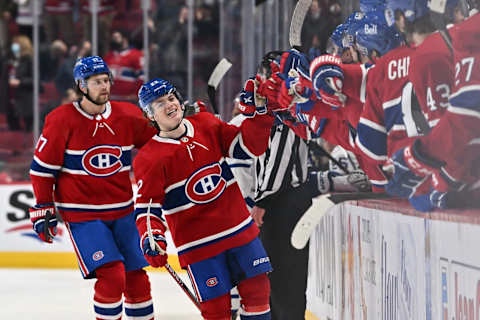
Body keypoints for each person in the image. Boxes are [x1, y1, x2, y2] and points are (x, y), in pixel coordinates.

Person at [134, 77, 275, 320]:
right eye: (159, 103)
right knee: (216, 311)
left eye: (171, 98)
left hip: (239, 231)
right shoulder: (149, 158)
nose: (169, 105)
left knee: (258, 292)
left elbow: (250, 148)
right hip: (199, 247)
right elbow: (148, 209)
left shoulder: (206, 124)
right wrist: (152, 237)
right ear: (150, 115)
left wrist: (259, 116)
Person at [28, 56, 157, 320]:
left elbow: (158, 145)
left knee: (137, 281)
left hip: (123, 212)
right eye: (96, 82)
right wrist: (43, 206)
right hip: (84, 216)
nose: (105, 86)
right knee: (112, 277)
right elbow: (41, 170)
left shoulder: (128, 115)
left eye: (106, 80)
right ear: (82, 86)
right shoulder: (61, 119)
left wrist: (185, 124)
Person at [103, 30, 144, 103]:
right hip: (111, 98)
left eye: (116, 37)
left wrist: (136, 93)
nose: (114, 40)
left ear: (125, 39)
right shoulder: (108, 56)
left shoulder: (136, 55)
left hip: (129, 99)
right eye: (113, 38)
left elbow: (142, 77)